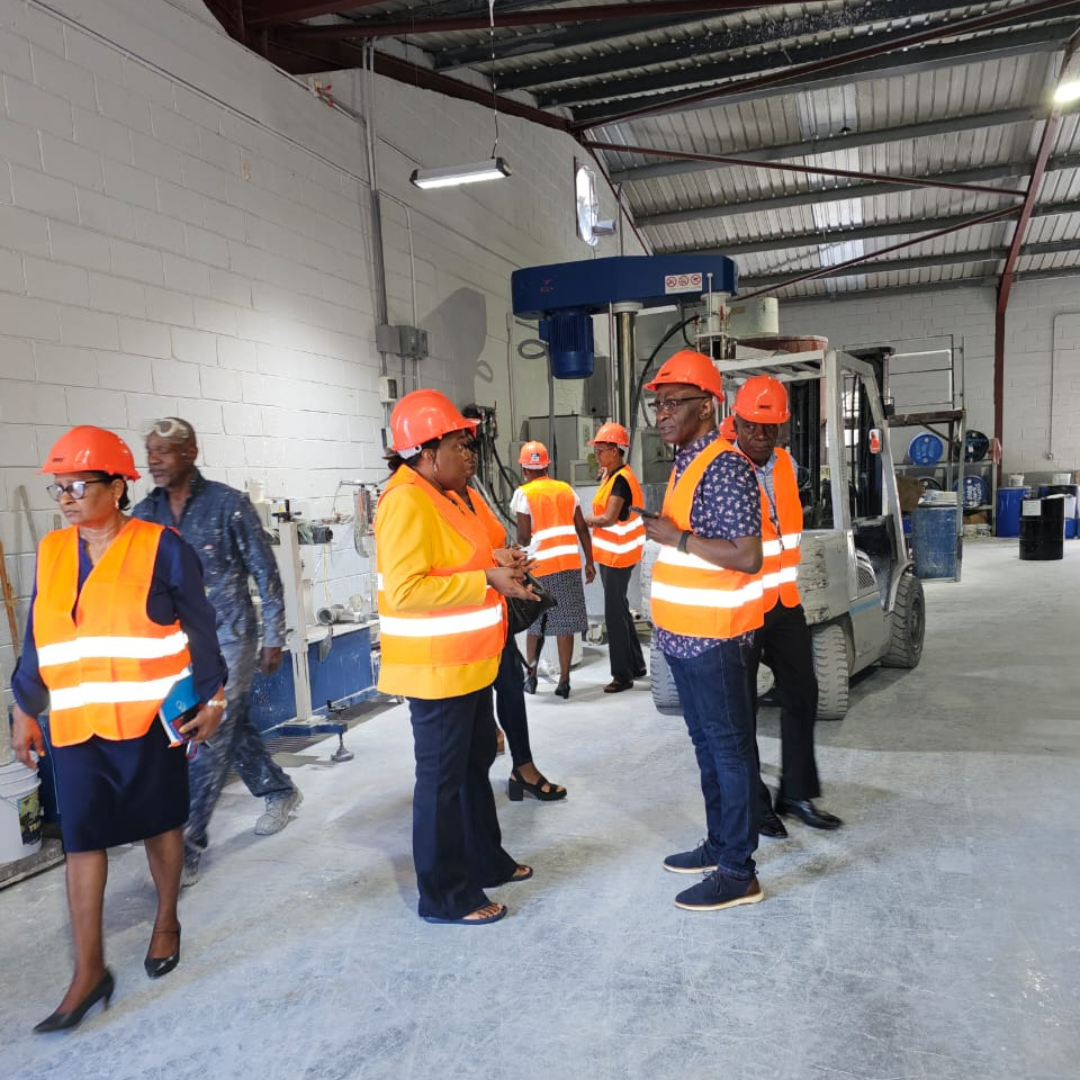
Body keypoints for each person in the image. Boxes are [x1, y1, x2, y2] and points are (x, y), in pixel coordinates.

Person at [11, 426, 227, 1032]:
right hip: (76, 727)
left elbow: (203, 632)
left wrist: (215, 701)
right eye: (60, 488)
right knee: (83, 840)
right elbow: (39, 636)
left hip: (149, 717)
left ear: (117, 485)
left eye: (80, 485)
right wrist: (23, 706)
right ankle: (88, 971)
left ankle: (165, 921)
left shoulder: (163, 547)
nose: (68, 498)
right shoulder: (53, 551)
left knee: (160, 823)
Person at [375, 389, 534, 924]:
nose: (470, 453)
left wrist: (500, 559)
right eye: (459, 444)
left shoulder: (446, 492)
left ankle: (484, 858)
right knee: (440, 781)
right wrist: (486, 578)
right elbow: (405, 590)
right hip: (435, 668)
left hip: (469, 660)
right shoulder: (404, 500)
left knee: (473, 765)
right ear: (424, 451)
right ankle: (443, 895)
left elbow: (455, 557)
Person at [133, 417, 301, 888]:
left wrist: (274, 636)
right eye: (149, 451)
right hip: (176, 644)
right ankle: (279, 790)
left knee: (207, 735)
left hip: (231, 638)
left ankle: (188, 845)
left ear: (190, 452)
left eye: (163, 451)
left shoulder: (229, 505)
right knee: (228, 726)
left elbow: (266, 574)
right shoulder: (145, 514)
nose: (153, 461)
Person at [643, 350, 766, 912]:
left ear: (707, 406)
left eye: (672, 403)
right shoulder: (685, 464)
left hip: (716, 639)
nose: (661, 414)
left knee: (731, 752)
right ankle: (720, 844)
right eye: (657, 404)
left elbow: (746, 556)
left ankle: (739, 870)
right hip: (684, 639)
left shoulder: (725, 466)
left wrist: (677, 540)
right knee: (707, 747)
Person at [732, 376, 843, 834]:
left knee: (803, 692)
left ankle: (795, 792)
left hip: (783, 601)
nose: (762, 435)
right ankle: (754, 803)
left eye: (771, 427)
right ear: (735, 421)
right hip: (740, 607)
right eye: (753, 425)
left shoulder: (785, 464)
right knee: (740, 709)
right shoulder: (719, 466)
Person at [447, 456, 567, 802]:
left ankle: (523, 768)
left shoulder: (470, 498)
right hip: (462, 625)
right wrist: (490, 567)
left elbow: (486, 547)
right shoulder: (431, 504)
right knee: (479, 703)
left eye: (470, 448)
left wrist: (507, 556)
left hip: (493, 615)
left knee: (511, 686)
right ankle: (476, 785)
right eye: (460, 448)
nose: (469, 457)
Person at [511, 441, 595, 699]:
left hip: (538, 567)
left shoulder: (523, 494)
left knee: (535, 622)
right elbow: (582, 527)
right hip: (568, 564)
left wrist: (515, 559)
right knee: (565, 624)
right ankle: (565, 681)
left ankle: (531, 677)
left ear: (525, 469)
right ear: (547, 465)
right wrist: (589, 561)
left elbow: (524, 536)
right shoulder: (566, 490)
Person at [582, 422, 647, 693]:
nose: (597, 455)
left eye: (601, 450)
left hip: (617, 556)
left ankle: (622, 675)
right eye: (596, 450)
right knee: (619, 608)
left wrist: (585, 520)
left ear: (616, 451)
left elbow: (609, 518)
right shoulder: (615, 475)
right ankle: (637, 664)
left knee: (614, 613)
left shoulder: (621, 481)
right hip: (615, 554)